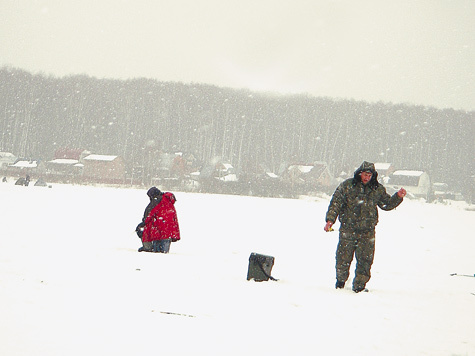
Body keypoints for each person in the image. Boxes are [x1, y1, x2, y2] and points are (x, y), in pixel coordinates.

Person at [324, 161, 406, 292]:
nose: (367, 177)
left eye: (370, 175)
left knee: (365, 261)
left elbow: (386, 204)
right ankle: (340, 283)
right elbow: (336, 203)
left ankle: (359, 287)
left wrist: (398, 197)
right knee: (343, 258)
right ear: (359, 173)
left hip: (367, 232)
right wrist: (330, 220)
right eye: (365, 174)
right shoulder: (347, 186)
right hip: (348, 229)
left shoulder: (377, 189)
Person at [137, 187, 180, 253]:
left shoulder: (157, 200)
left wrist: (143, 223)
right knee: (164, 253)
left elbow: (149, 213)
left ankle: (148, 248)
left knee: (157, 253)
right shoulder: (168, 201)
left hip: (159, 229)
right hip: (169, 230)